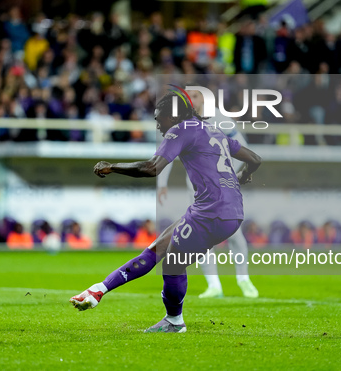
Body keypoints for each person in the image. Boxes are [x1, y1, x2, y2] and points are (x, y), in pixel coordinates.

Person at [70, 91, 262, 333]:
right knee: (158, 248)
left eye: (160, 119)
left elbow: (152, 168)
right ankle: (98, 290)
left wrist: (112, 167)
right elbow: (254, 158)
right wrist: (243, 176)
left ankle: (173, 321)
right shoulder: (213, 130)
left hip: (211, 212)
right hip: (231, 211)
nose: (159, 125)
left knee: (171, 265)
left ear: (174, 115)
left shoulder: (181, 129)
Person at [157, 89, 259, 299]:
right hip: (195, 186)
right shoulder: (179, 123)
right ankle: (214, 284)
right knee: (200, 234)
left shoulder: (220, 118)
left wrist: (231, 173)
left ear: (203, 98)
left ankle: (243, 279)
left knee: (234, 232)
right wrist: (161, 183)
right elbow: (165, 153)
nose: (190, 100)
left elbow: (244, 148)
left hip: (221, 184)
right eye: (187, 96)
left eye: (194, 95)